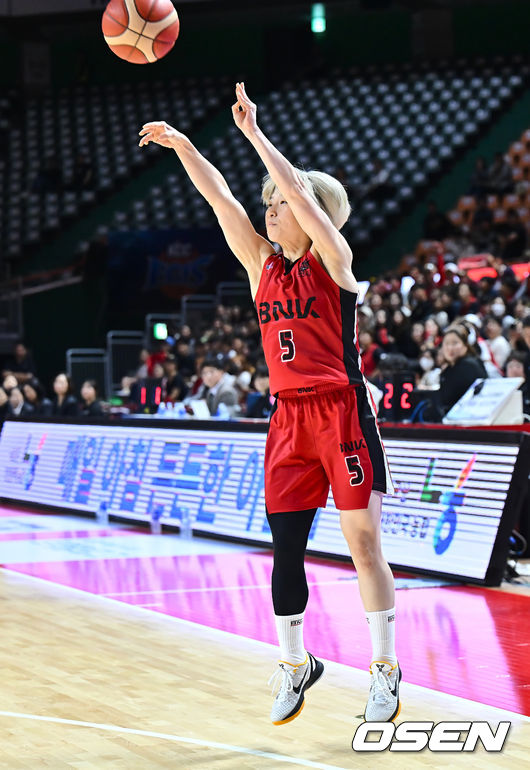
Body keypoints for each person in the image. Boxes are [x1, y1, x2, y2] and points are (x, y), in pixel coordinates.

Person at [140, 81, 399, 725]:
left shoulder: (334, 262)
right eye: (272, 204)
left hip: (341, 411)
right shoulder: (263, 267)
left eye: (280, 203)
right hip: (288, 421)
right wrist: (182, 145)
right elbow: (221, 197)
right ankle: (293, 662)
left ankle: (385, 670)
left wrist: (256, 134)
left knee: (362, 542)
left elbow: (304, 200)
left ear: (312, 214)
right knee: (285, 549)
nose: (270, 211)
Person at [439, 324, 488, 415]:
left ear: (465, 346)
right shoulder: (449, 368)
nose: (450, 348)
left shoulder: (469, 366)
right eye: (446, 343)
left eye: (455, 343)